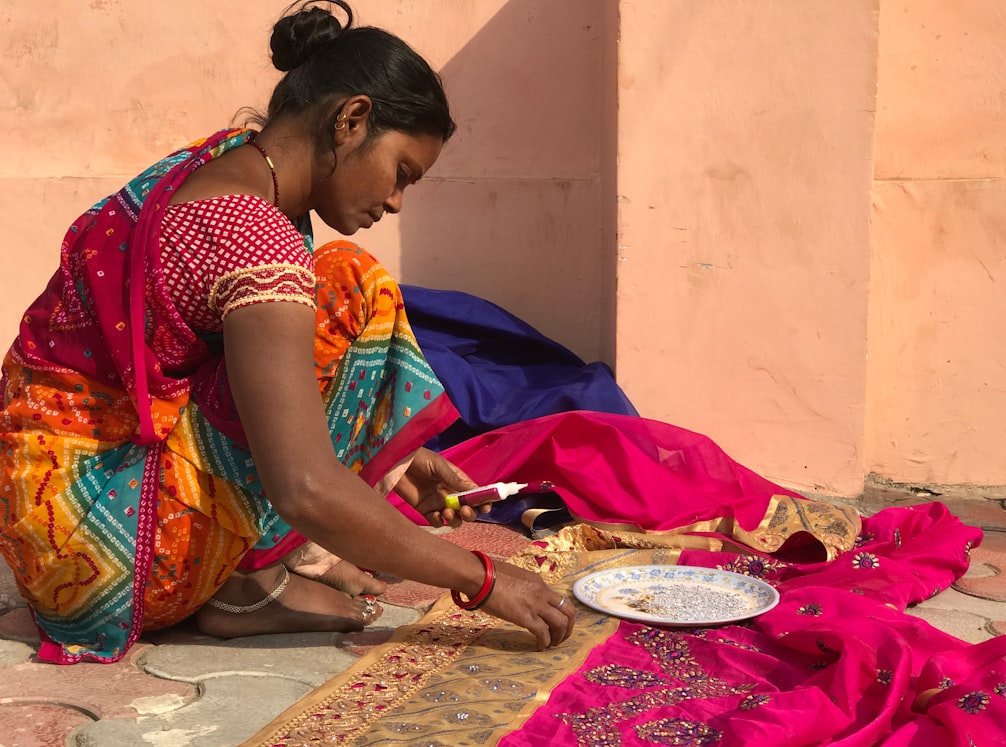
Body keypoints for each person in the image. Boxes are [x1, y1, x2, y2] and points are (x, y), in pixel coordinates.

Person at [0, 0, 575, 664]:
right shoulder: (258, 241)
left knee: (334, 283)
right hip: (101, 561)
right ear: (352, 119)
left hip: (43, 513)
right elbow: (301, 485)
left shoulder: (215, 163)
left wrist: (394, 458)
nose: (394, 202)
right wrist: (483, 578)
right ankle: (243, 583)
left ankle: (243, 574)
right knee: (358, 289)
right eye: (401, 175)